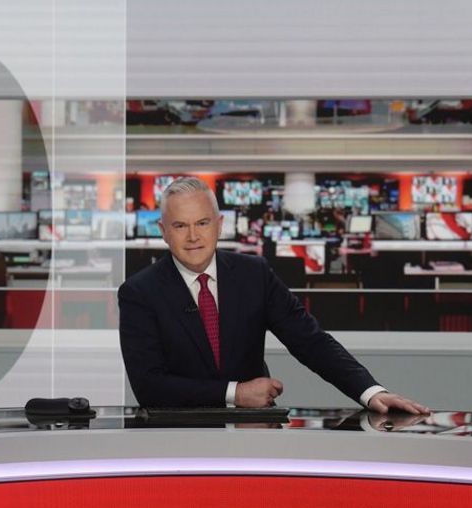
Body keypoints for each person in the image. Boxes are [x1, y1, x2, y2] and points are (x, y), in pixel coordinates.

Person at [117, 177, 430, 414]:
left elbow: (310, 341)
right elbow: (149, 386)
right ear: (162, 230)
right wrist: (234, 393)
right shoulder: (139, 293)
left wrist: (370, 391)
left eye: (202, 222)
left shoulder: (254, 274)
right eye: (180, 225)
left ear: (220, 224)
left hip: (250, 431)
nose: (194, 236)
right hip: (175, 438)